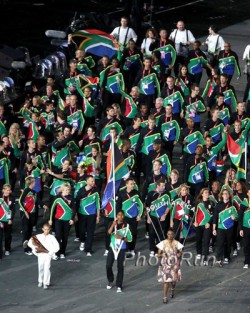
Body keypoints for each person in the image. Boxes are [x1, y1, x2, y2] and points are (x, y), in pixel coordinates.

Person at [106, 210, 132, 292]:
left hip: (122, 249)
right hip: (112, 248)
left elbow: (130, 239)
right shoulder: (113, 223)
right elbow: (109, 232)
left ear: (123, 216)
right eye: (118, 215)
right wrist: (113, 226)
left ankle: (119, 285)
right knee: (108, 265)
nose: (120, 217)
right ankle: (110, 280)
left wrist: (121, 237)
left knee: (120, 267)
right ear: (116, 216)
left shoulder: (127, 226)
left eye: (121, 215)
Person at [28, 223, 59, 289]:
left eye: (48, 229)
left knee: (47, 269)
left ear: (50, 230)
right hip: (41, 255)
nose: (46, 231)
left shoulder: (52, 237)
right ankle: (40, 281)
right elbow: (30, 242)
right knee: (40, 268)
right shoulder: (38, 236)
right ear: (42, 229)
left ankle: (46, 283)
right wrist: (35, 248)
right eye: (45, 229)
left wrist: (51, 252)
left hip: (48, 255)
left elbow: (57, 247)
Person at [75, 175, 100, 256]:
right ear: (87, 182)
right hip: (81, 214)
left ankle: (88, 249)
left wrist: (98, 216)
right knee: (82, 231)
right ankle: (82, 241)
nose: (93, 182)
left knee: (90, 232)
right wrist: (75, 214)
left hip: (92, 215)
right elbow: (76, 202)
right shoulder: (81, 190)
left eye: (94, 181)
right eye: (91, 181)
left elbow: (98, 204)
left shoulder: (96, 191)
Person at [157, 228, 183, 304]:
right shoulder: (163, 243)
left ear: (174, 235)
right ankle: (164, 297)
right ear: (167, 235)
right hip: (166, 264)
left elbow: (180, 252)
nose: (170, 235)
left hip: (174, 264)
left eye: (171, 234)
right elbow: (158, 254)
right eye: (168, 234)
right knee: (166, 281)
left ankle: (172, 289)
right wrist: (162, 254)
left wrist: (179, 254)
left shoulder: (177, 243)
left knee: (174, 281)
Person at [49, 183, 75, 259]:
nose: (68, 191)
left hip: (68, 220)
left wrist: (72, 219)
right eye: (66, 190)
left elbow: (74, 209)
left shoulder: (71, 198)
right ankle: (57, 253)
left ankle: (63, 252)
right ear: (62, 190)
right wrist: (50, 219)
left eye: (69, 190)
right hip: (58, 219)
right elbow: (52, 208)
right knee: (58, 236)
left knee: (65, 237)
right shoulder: (57, 197)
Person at [213, 188, 238, 266]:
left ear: (229, 195)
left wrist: (235, 218)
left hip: (230, 228)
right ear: (222, 195)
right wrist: (214, 228)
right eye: (224, 193)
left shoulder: (232, 205)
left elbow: (237, 217)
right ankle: (218, 259)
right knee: (220, 243)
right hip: (220, 227)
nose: (225, 195)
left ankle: (227, 257)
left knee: (228, 243)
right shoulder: (218, 205)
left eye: (227, 193)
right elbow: (215, 218)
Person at [194, 188, 214, 265]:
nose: (207, 194)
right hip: (199, 224)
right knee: (198, 239)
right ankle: (199, 252)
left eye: (208, 192)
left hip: (207, 225)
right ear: (202, 194)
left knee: (206, 241)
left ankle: (205, 257)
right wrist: (195, 222)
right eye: (205, 192)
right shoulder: (198, 203)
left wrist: (209, 223)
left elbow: (213, 215)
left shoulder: (211, 203)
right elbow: (195, 214)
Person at [239, 189, 250, 268]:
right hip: (246, 227)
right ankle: (247, 262)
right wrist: (241, 229)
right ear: (248, 194)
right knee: (246, 245)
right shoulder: (243, 204)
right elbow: (240, 217)